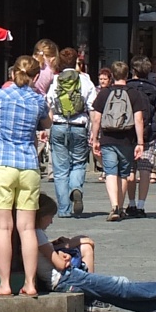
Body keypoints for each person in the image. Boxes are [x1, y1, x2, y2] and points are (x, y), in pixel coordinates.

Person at [35, 195, 156, 312]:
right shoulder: (38, 234)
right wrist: (65, 257)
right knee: (120, 285)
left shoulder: (35, 233)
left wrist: (58, 251)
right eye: (50, 217)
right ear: (42, 216)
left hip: (62, 280)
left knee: (114, 296)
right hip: (65, 278)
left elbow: (47, 255)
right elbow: (60, 264)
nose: (51, 221)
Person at [0, 55, 51, 297]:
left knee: (3, 228)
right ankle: (30, 284)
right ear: (36, 76)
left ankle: (5, 285)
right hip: (28, 164)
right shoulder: (38, 101)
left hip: (2, 163)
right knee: (27, 229)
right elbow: (47, 123)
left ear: (13, 73)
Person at [90, 60, 146, 222]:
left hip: (108, 137)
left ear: (112, 75)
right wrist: (140, 142)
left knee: (110, 171)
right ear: (127, 75)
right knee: (123, 173)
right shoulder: (134, 94)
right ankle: (120, 207)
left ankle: (114, 205)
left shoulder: (104, 93)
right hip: (127, 139)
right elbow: (139, 119)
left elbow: (96, 119)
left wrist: (95, 138)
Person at [46, 47, 97, 217]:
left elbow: (49, 105)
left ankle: (64, 209)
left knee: (60, 170)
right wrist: (94, 132)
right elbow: (93, 109)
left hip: (59, 125)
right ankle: (76, 188)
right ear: (76, 61)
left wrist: (48, 128)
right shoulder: (85, 81)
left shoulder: (55, 80)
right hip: (79, 126)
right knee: (78, 163)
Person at [125, 56, 156, 218]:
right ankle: (141, 205)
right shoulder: (155, 89)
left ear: (133, 70)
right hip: (148, 134)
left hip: (128, 133)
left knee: (130, 170)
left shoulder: (127, 87)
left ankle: (131, 203)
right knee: (145, 170)